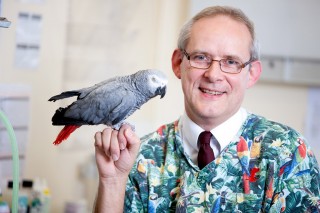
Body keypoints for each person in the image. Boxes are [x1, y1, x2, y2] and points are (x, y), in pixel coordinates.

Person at [93, 6, 320, 212]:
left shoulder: (288, 154)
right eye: (201, 57)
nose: (213, 75)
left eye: (231, 62)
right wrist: (113, 182)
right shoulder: (137, 157)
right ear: (177, 64)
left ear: (251, 73)